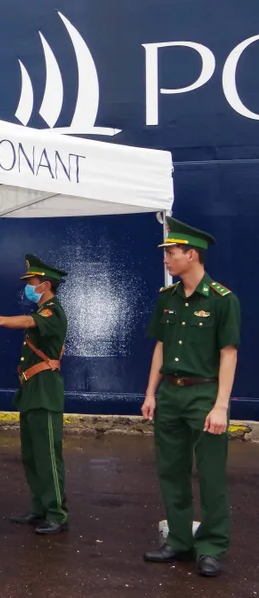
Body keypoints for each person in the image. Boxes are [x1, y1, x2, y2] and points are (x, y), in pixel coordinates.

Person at [141, 217, 240, 578]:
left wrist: (221, 405)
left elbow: (229, 353)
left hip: (204, 395)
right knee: (171, 471)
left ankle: (211, 547)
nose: (166, 258)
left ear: (192, 254)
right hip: (170, 394)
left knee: (211, 475)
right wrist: (151, 393)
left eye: (172, 252)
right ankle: (180, 540)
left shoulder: (222, 300)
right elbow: (161, 346)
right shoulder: (167, 298)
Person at [0, 255, 69, 535]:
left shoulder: (52, 311)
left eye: (31, 282)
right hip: (31, 389)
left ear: (45, 285)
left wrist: (0, 320)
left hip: (45, 391)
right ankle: (39, 507)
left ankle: (57, 513)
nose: (28, 287)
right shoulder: (43, 310)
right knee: (32, 455)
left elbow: (29, 322)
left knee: (48, 455)